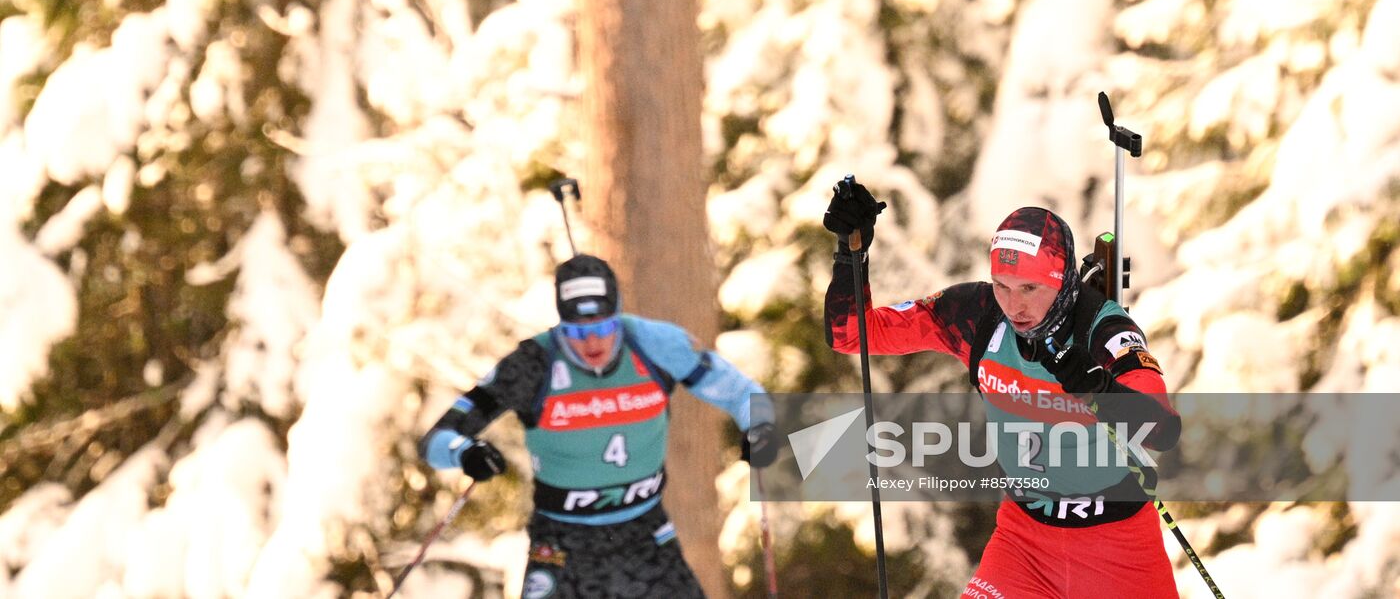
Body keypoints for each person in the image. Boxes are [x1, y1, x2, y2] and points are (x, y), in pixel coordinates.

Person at [822, 183, 1181, 598]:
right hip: (1024, 544)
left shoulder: (1104, 331)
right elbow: (853, 335)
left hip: (1118, 546)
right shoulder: (976, 317)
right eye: (1002, 286)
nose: (1014, 306)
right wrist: (851, 255)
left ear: (1062, 281)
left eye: (1030, 288)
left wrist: (1098, 388)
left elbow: (1162, 431)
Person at [419, 253, 778, 599]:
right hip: (563, 543)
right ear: (560, 323)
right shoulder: (532, 364)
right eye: (577, 331)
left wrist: (758, 427)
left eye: (604, 327)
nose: (592, 342)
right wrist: (465, 454)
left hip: (645, 536)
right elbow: (437, 439)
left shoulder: (656, 344)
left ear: (618, 314)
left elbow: (742, 393)